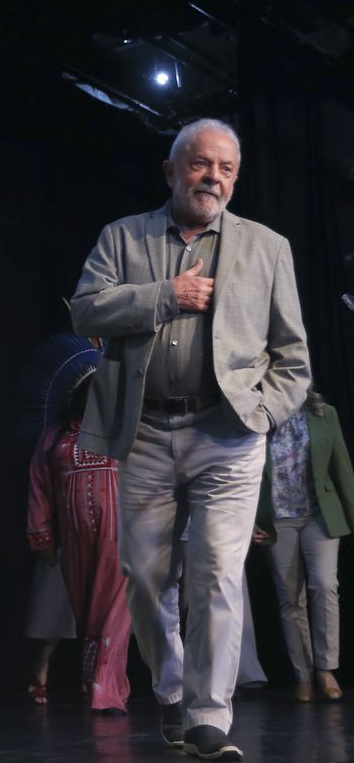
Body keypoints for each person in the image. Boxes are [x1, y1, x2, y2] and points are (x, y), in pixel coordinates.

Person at [70, 118, 310, 760]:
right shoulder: (123, 237)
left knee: (217, 573)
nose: (214, 178)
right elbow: (86, 309)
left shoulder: (267, 247)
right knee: (144, 576)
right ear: (172, 170)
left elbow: (293, 354)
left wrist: (264, 412)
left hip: (228, 432)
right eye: (202, 164)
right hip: (144, 429)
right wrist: (165, 295)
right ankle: (172, 689)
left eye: (227, 169)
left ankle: (209, 715)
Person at [27, 375, 131, 715]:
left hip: (119, 536)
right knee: (87, 613)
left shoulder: (122, 431)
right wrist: (42, 536)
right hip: (75, 538)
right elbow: (39, 487)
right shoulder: (55, 436)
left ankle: (107, 691)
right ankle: (93, 681)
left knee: (115, 611)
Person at [253, 388, 354, 702]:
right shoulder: (255, 417)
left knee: (324, 586)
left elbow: (342, 467)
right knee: (290, 598)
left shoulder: (324, 412)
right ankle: (304, 676)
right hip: (276, 519)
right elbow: (243, 472)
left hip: (319, 515)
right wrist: (248, 520)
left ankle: (326, 668)